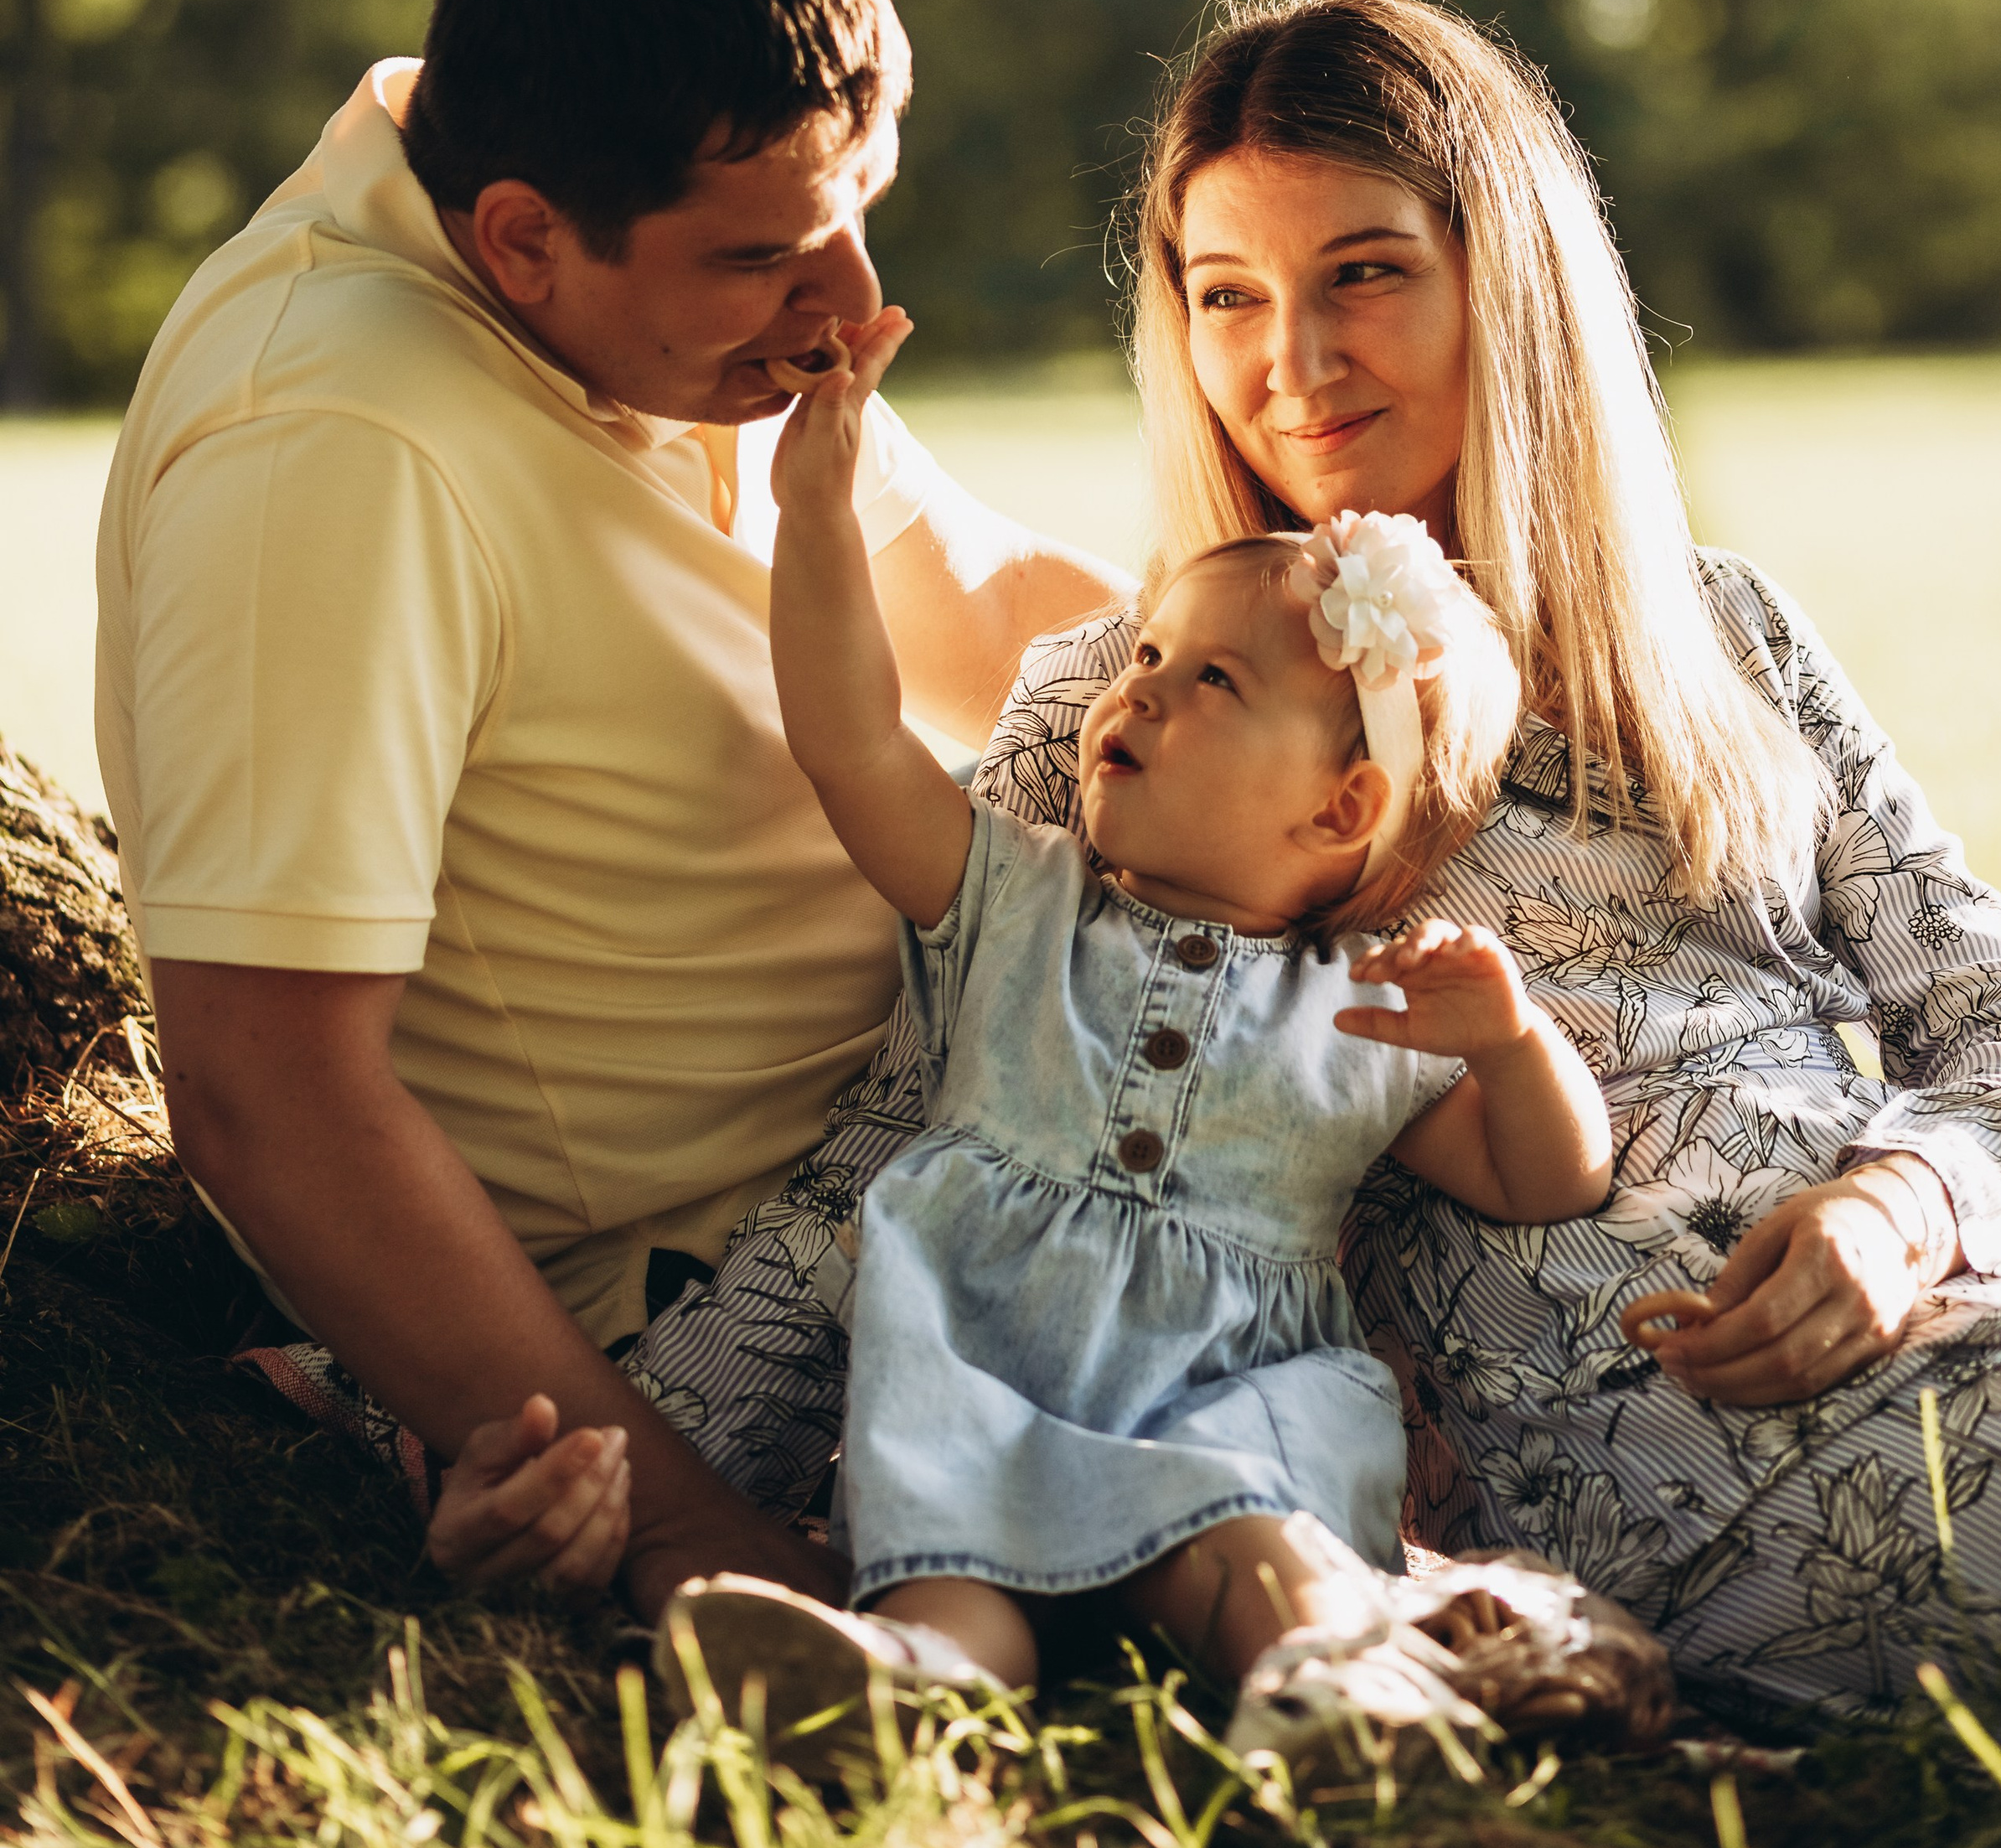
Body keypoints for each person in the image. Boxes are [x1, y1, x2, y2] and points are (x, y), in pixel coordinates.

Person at [646, 0, 2001, 1732]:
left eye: (1360, 271)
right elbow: (949, 1130)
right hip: (1705, 1435)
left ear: (1501, 278)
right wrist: (589, 1435)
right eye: (1227, 296)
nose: (1291, 362)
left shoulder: (1722, 635)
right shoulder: (1125, 710)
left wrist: (1909, 1201)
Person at [95, 0, 1130, 1620]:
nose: (854, 312)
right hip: (723, 1304)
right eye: (769, 260)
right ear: (519, 242)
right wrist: (685, 1533)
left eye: (859, 213)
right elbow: (271, 1095)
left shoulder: (666, 271)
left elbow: (976, 610)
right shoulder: (335, 449)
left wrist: (1370, 691)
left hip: (955, 1125)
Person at [662, 307, 1614, 1760]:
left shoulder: (1365, 1005)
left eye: (1210, 680)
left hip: (1228, 1399)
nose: (1139, 683)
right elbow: (852, 740)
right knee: (947, 1556)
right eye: (1149, 651)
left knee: (1259, 1539)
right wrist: (813, 504)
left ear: (1341, 809)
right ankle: (909, 1683)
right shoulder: (1016, 896)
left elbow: (1548, 1178)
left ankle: (1337, 1682)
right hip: (985, 1365)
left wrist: (1509, 1043)